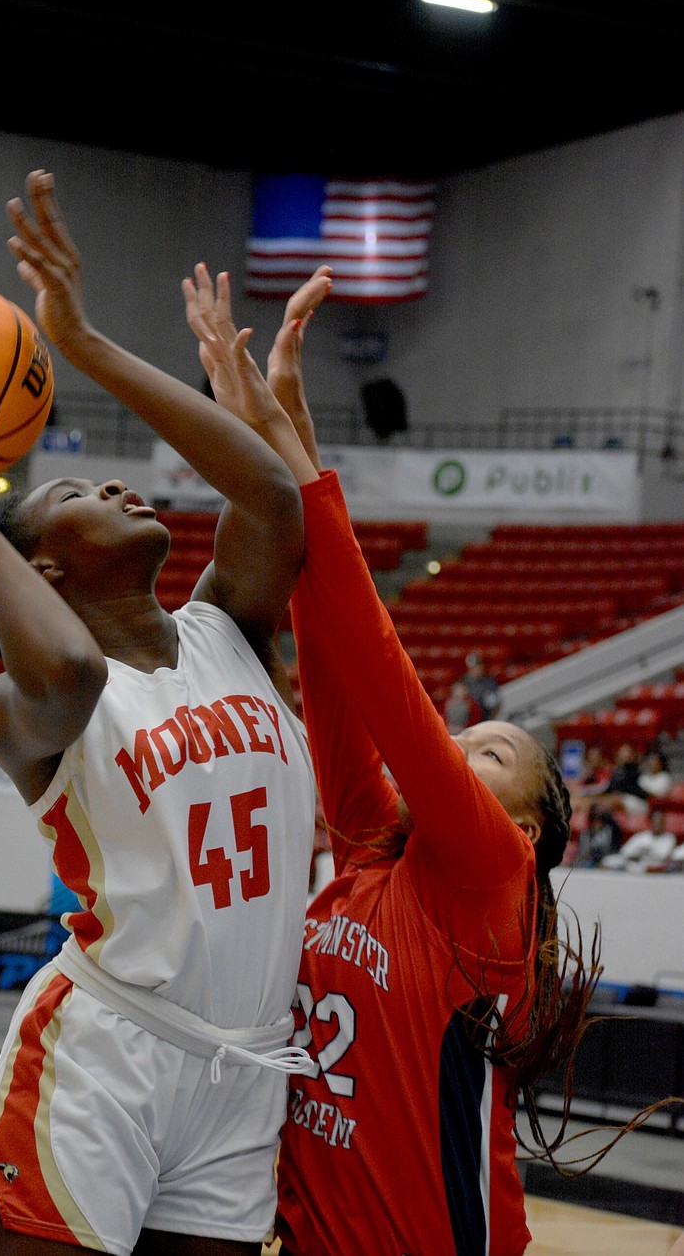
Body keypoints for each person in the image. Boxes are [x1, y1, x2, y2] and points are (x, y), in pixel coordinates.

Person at [0, 170, 318, 1256]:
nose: (111, 488)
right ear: (46, 569)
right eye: (74, 496)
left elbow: (272, 496)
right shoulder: (17, 709)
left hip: (245, 1067)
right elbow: (68, 670)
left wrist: (81, 341)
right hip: (108, 1056)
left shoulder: (228, 629)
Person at [181, 263, 677, 1256]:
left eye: (488, 751)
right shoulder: (376, 853)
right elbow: (331, 662)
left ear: (524, 827)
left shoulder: (492, 877)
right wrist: (284, 436)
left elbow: (376, 662)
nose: (455, 746)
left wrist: (292, 457)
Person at [572, 801, 623, 868]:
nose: (597, 824)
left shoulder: (611, 831)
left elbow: (614, 848)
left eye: (600, 820)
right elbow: (583, 851)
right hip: (589, 860)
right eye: (595, 820)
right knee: (585, 865)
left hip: (607, 859)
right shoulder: (585, 834)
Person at [462, 649, 502, 720]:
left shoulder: (489, 681)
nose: (476, 670)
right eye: (473, 668)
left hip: (486, 717)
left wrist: (491, 719)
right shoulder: (463, 682)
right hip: (469, 719)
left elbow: (495, 703)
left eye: (477, 666)